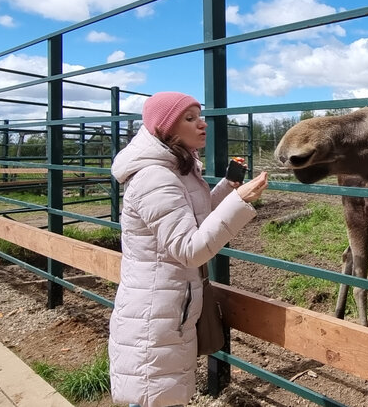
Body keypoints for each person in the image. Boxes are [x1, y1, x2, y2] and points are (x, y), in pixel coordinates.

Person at [108, 91, 269, 407]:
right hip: (156, 310)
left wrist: (228, 187)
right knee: (152, 393)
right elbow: (189, 248)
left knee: (159, 391)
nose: (202, 124)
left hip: (169, 303)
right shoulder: (155, 177)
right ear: (165, 128)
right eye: (190, 118)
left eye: (201, 116)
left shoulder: (174, 167)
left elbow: (193, 218)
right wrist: (240, 201)